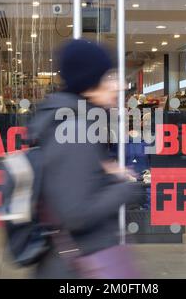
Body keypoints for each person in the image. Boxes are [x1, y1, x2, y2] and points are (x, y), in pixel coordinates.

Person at [29, 39, 141, 278]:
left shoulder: (77, 124)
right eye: (110, 77)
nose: (119, 85)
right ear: (89, 84)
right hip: (78, 267)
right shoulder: (74, 130)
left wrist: (104, 175)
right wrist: (124, 186)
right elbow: (76, 213)